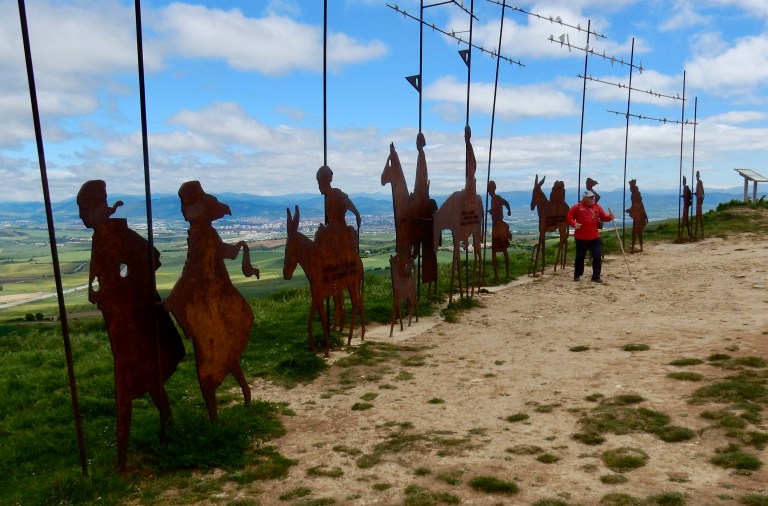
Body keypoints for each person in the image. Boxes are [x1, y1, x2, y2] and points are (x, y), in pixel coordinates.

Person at [78, 179, 185, 471]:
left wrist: (127, 289)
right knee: (148, 377)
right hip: (123, 322)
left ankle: (122, 460)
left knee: (127, 387)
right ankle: (167, 427)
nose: (82, 217)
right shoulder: (104, 237)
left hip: (129, 323)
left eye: (85, 209)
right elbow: (97, 284)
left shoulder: (115, 235)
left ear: (98, 209)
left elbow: (151, 258)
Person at [566, 190, 615, 283]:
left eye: (593, 197)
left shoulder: (597, 207)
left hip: (594, 236)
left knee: (597, 255)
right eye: (590, 197)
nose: (593, 199)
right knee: (580, 257)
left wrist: (610, 217)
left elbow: (604, 217)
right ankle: (577, 274)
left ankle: (596, 276)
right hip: (581, 237)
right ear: (585, 199)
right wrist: (574, 223)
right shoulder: (577, 207)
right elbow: (569, 216)